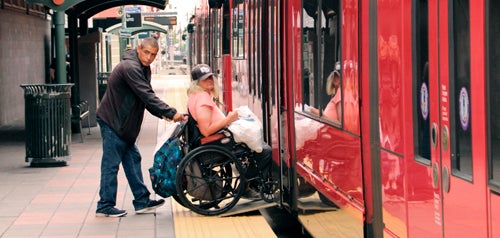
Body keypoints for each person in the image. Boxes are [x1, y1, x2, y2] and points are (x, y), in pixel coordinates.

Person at [95, 37, 184, 217]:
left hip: (124, 126)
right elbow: (147, 95)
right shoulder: (130, 68)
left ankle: (142, 200)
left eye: (153, 54)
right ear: (138, 49)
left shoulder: (142, 68)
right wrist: (171, 112)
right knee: (111, 165)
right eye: (146, 52)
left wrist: (166, 114)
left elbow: (145, 99)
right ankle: (104, 205)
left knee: (133, 160)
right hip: (114, 122)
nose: (149, 57)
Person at [186, 64, 272, 200]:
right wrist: (229, 119)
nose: (209, 80)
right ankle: (246, 187)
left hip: (215, 141)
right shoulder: (202, 99)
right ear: (197, 83)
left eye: (210, 77)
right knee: (264, 151)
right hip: (215, 144)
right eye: (205, 79)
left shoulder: (196, 96)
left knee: (254, 143)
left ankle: (249, 184)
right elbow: (206, 130)